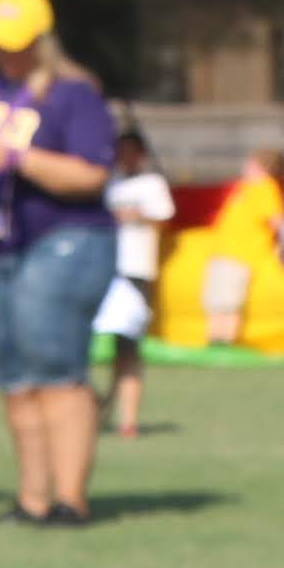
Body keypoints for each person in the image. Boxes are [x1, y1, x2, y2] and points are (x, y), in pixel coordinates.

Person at [0, 0, 118, 527]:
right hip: (0, 245)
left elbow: (91, 174)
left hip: (65, 240)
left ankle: (70, 499)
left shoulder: (74, 95)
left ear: (42, 41)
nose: (2, 53)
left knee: (56, 366)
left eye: (14, 43)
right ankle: (31, 499)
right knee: (13, 372)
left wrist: (16, 158)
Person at [94, 121, 174, 437]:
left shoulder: (152, 184)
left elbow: (164, 217)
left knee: (128, 347)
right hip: (102, 268)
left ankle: (127, 419)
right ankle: (95, 407)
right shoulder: (106, 182)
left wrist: (134, 215)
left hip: (135, 271)